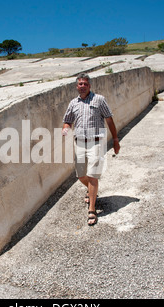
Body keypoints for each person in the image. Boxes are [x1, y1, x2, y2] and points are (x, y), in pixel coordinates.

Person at [62, 73, 120, 226]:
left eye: (85, 84)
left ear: (89, 86)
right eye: (80, 84)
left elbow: (109, 119)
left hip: (96, 142)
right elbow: (67, 121)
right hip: (79, 143)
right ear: (77, 86)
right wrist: (66, 129)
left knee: (93, 176)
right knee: (81, 176)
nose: (82, 86)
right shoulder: (73, 103)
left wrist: (115, 139)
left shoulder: (99, 100)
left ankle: (92, 210)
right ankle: (91, 191)